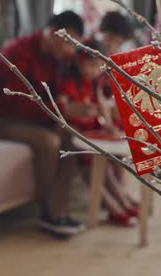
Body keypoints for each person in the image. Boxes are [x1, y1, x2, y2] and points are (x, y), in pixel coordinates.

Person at [0, 11, 86, 236]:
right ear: (52, 33)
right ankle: (46, 210)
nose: (70, 51)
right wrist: (57, 112)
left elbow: (57, 93)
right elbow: (16, 103)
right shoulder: (17, 52)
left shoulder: (58, 58)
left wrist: (65, 112)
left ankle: (58, 211)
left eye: (73, 46)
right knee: (49, 142)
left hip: (37, 118)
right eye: (68, 43)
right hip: (3, 120)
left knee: (74, 142)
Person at [58, 40, 139, 227]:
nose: (95, 71)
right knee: (92, 164)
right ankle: (114, 207)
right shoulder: (70, 82)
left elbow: (102, 108)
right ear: (79, 62)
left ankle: (122, 202)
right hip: (77, 134)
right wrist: (76, 110)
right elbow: (63, 107)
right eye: (91, 65)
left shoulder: (95, 83)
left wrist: (107, 124)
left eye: (99, 67)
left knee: (107, 167)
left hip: (91, 132)